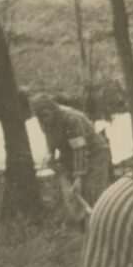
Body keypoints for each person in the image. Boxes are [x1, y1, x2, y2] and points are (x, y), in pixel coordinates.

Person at [25, 92, 113, 221]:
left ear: (52, 109)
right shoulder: (43, 121)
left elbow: (80, 149)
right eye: (40, 117)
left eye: (46, 115)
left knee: (92, 190)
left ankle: (101, 221)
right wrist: (51, 156)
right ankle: (84, 221)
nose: (44, 120)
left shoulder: (71, 119)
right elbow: (50, 139)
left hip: (95, 153)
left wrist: (79, 176)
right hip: (70, 154)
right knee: (73, 193)